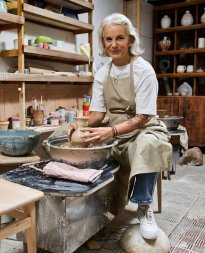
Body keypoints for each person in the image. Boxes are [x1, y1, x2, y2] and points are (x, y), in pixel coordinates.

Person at [68, 13, 172, 240]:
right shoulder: (103, 73)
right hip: (113, 129)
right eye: (108, 39)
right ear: (103, 43)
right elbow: (98, 114)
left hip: (143, 129)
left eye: (120, 38)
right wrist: (79, 125)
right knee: (61, 135)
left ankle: (144, 207)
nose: (114, 44)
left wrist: (110, 131)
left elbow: (143, 117)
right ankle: (86, 202)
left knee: (149, 144)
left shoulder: (144, 70)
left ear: (131, 40)